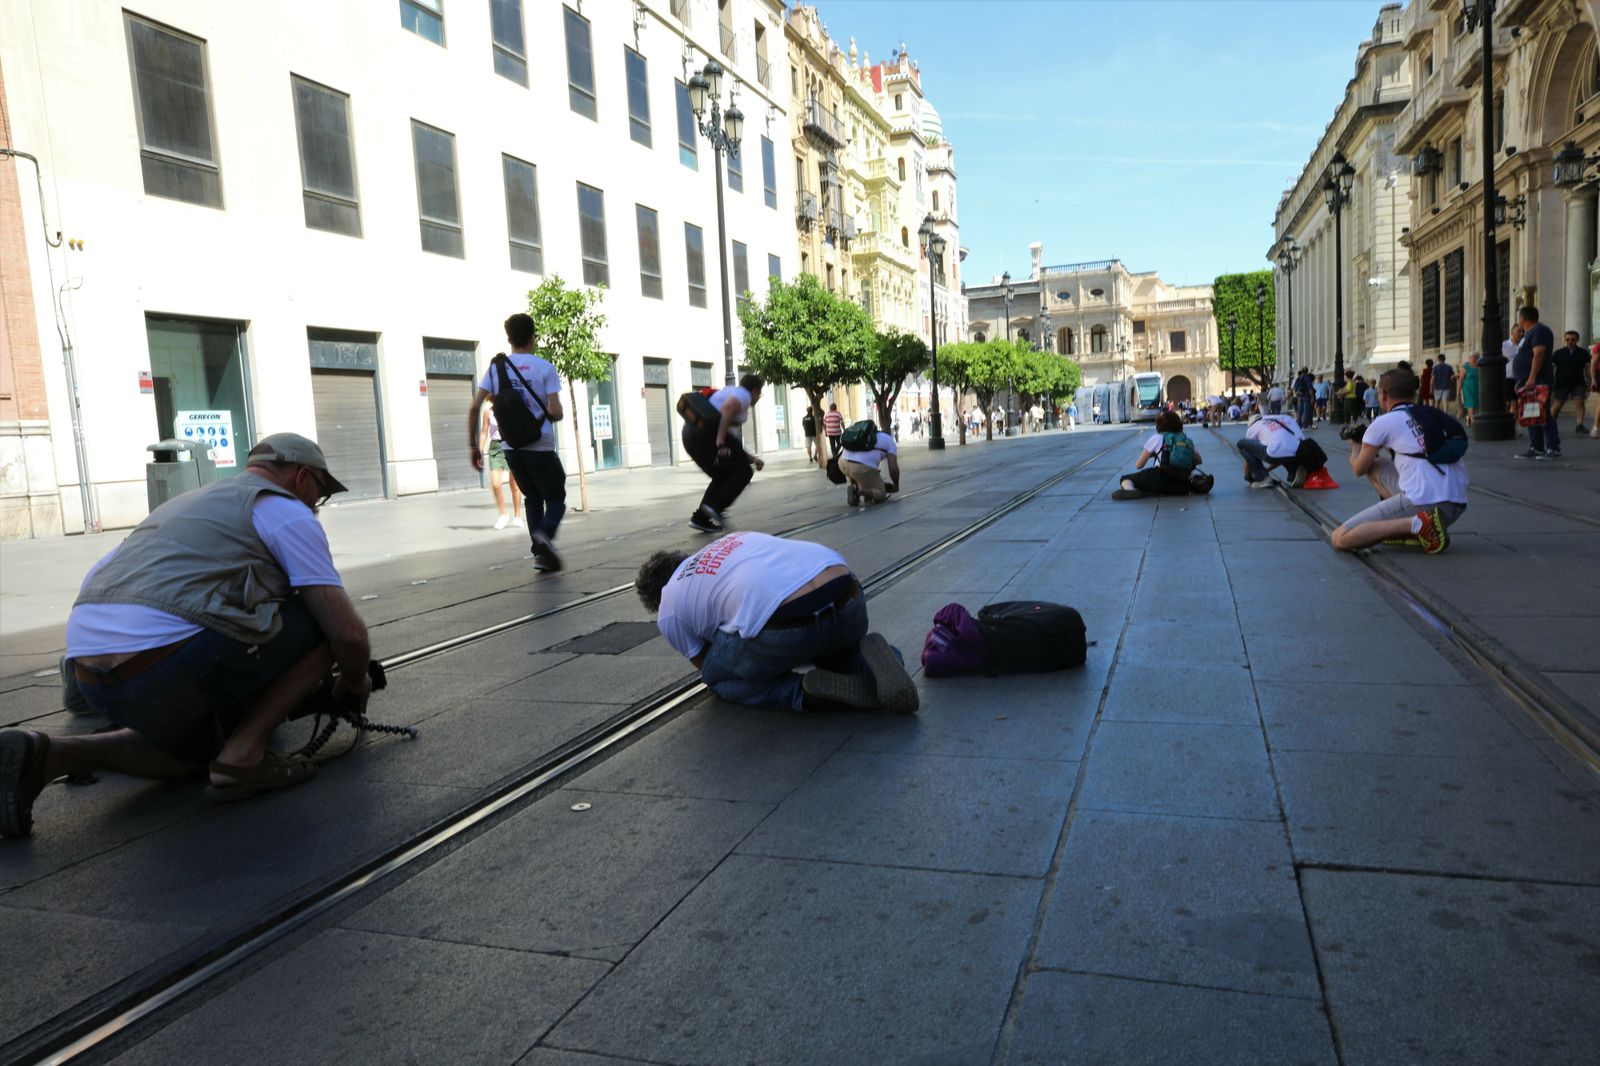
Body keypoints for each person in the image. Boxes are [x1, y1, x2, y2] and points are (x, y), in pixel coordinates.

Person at [1, 434, 372, 838]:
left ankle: (49, 754)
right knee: (321, 624)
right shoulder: (284, 509)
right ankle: (244, 757)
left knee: (201, 750)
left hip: (91, 676)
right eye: (319, 495)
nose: (316, 507)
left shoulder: (185, 504)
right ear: (303, 479)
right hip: (165, 668)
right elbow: (346, 633)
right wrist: (353, 680)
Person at [634, 533, 918, 714]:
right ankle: (883, 660)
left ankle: (802, 693)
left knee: (718, 680)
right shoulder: (734, 539)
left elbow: (709, 664)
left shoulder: (669, 607)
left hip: (786, 626)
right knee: (836, 654)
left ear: (655, 599)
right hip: (847, 595)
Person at [1331, 367, 1466, 555]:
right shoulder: (1433, 414)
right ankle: (1413, 527)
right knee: (1376, 465)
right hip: (1456, 504)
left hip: (1426, 504)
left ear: (1383, 394)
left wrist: (1355, 445)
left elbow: (1359, 469)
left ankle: (1416, 524)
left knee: (1341, 538)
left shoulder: (1384, 422)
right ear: (1414, 393)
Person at [468, 313, 567, 571]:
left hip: (511, 447)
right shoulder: (545, 368)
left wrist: (473, 447)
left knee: (532, 498)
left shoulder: (496, 369)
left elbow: (474, 407)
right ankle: (544, 536)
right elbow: (555, 411)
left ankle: (539, 556)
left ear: (509, 339)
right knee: (556, 497)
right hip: (541, 446)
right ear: (532, 338)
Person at [684, 373, 767, 532]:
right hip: (706, 436)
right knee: (744, 473)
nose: (758, 398)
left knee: (723, 474)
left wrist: (753, 459)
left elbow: (734, 447)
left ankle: (700, 519)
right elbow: (727, 408)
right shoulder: (743, 395)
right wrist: (720, 442)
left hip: (691, 436)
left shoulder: (731, 392)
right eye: (759, 394)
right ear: (755, 391)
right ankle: (716, 508)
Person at [1113, 411, 1203, 499]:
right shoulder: (1185, 440)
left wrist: (1153, 454)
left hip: (1159, 478)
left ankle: (1131, 491)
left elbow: (1139, 465)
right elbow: (1199, 461)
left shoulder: (1157, 438)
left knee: (1125, 479)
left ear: (1159, 425)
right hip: (1182, 483)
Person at [1511, 305, 1560, 460]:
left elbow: (1538, 354)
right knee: (1531, 412)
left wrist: (1531, 378)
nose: (1518, 321)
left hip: (1538, 380)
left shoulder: (1539, 331)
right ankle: (1536, 447)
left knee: (1543, 413)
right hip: (1527, 382)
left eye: (1519, 318)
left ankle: (1553, 448)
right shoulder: (1529, 333)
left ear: (1523, 318)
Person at [479, 406, 524, 531]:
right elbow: (483, 432)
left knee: (514, 484)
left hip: (512, 445)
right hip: (495, 448)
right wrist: (479, 451)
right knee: (495, 483)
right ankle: (503, 514)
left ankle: (517, 516)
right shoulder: (488, 412)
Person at [1240, 410, 1308, 488]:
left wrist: (1247, 476)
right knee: (1284, 451)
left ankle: (1262, 479)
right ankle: (1294, 473)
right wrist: (1267, 470)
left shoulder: (1252, 428)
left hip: (1278, 452)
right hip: (1300, 451)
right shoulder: (1281, 419)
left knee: (1242, 444)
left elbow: (1249, 452)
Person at [840, 419, 900, 507]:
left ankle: (855, 486)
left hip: (842, 463)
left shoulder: (862, 436)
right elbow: (893, 470)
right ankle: (860, 491)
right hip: (860, 469)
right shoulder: (889, 441)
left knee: (859, 472)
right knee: (881, 494)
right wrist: (896, 484)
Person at [1551, 330, 1590, 436]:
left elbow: (1588, 368)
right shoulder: (1558, 353)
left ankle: (1579, 425)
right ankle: (1550, 424)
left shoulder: (1583, 353)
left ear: (1577, 340)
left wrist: (1591, 380)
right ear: (1565, 340)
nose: (1570, 342)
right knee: (1557, 405)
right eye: (1567, 339)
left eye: (1573, 339)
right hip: (1561, 384)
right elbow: (1551, 367)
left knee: (1580, 403)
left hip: (1578, 383)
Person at [1459, 351, 1480, 426]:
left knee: (1476, 406)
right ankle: (1474, 424)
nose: (1473, 359)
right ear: (1469, 358)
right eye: (1472, 357)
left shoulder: (1480, 366)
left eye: (1475, 357)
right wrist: (1458, 391)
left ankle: (1469, 417)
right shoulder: (1466, 367)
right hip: (1467, 388)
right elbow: (1461, 379)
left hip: (1477, 388)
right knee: (1471, 405)